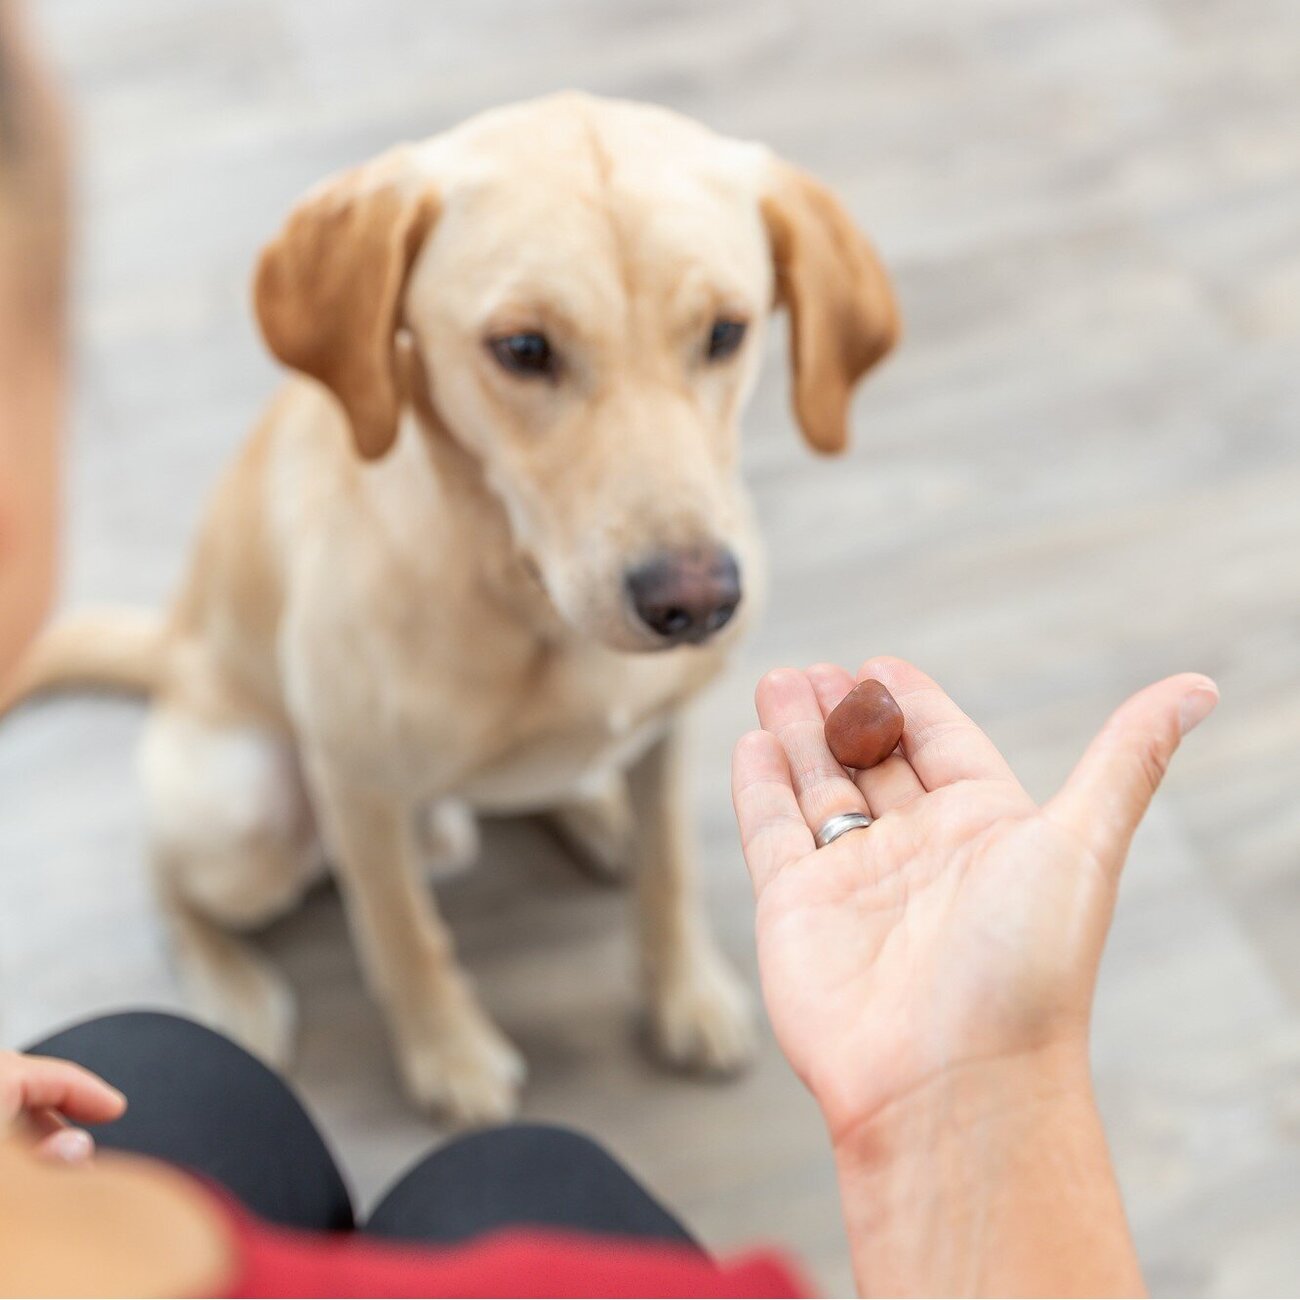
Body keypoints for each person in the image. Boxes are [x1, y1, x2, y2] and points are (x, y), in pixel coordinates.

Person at [0, 4, 1217, 1294]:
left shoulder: (687, 567)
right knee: (244, 833)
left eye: (719, 340)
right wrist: (427, 1012)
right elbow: (356, 779)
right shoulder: (363, 541)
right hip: (292, 731)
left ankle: (614, 873)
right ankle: (216, 925)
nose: (687, 558)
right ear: (388, 334)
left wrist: (677, 946)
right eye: (529, 353)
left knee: (626, 717)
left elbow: (668, 671)